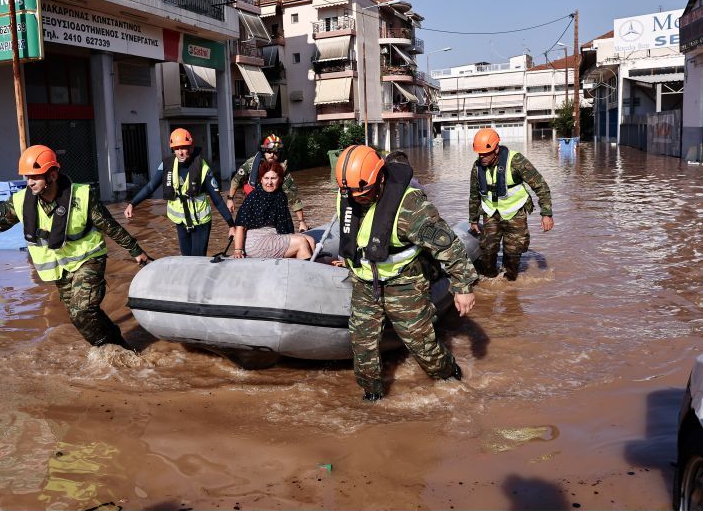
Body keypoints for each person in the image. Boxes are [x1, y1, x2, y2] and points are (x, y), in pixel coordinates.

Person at [0, 145, 149, 350]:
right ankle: (121, 348)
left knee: (83, 312)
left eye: (35, 177)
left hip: (88, 259)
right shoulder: (19, 202)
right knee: (79, 316)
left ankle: (109, 351)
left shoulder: (81, 196)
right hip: (59, 269)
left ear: (52, 175)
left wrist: (135, 251)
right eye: (27, 177)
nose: (29, 182)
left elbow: (110, 226)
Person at [335, 145, 478, 401]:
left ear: (380, 176)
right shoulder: (348, 193)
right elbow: (355, 235)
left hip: (404, 284)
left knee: (423, 346)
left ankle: (453, 379)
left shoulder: (410, 206)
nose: (357, 198)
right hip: (365, 284)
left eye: (364, 193)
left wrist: (463, 287)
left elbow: (448, 246)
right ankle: (372, 398)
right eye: (352, 194)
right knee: (362, 347)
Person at [124, 128, 235, 256]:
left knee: (197, 261)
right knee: (186, 260)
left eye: (184, 148)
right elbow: (150, 187)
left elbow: (218, 200)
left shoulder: (202, 167)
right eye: (177, 149)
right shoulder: (167, 165)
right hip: (181, 222)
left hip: (201, 222)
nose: (181, 152)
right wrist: (132, 204)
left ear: (191, 147)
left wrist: (231, 225)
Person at [468, 128, 554, 281]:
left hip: (515, 212)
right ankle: (491, 280)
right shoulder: (477, 167)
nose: (482, 157)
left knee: (513, 253)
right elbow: (474, 194)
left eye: (486, 154)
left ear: (496, 149)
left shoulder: (516, 161)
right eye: (479, 154)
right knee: (487, 251)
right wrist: (473, 219)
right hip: (491, 212)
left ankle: (510, 285)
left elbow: (540, 185)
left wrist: (546, 214)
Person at [232, 161, 315, 259]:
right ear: (261, 180)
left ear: (279, 179)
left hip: (275, 235)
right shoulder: (253, 197)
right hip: (257, 241)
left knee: (311, 240)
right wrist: (238, 250)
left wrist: (301, 222)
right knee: (301, 242)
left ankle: (307, 266)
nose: (269, 182)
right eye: (266, 178)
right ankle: (304, 272)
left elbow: (287, 222)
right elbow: (240, 226)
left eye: (273, 178)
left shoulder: (280, 195)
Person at [227, 134, 309, 232]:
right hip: (254, 204)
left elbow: (293, 196)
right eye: (269, 152)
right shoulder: (252, 164)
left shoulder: (282, 169)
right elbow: (236, 179)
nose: (272, 155)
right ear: (264, 151)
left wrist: (301, 221)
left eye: (275, 153)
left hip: (275, 206)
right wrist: (230, 199)